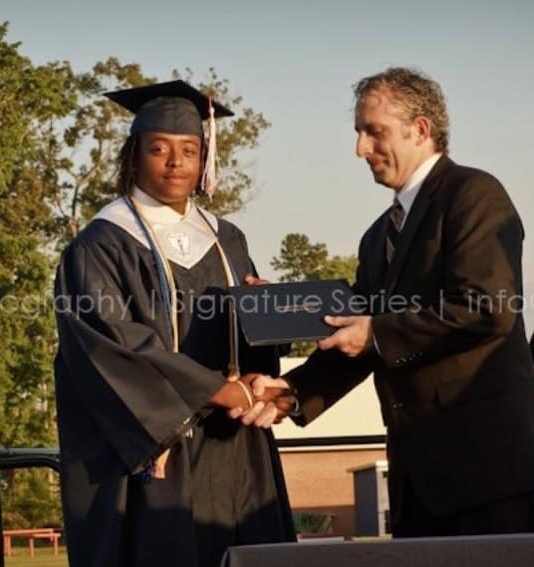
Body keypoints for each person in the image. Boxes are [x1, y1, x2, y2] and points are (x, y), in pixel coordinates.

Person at [245, 67, 534, 537]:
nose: (360, 148)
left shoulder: (474, 194)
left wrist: (376, 331)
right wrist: (292, 391)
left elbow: (487, 308)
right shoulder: (377, 236)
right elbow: (356, 339)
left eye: (373, 131)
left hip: (487, 477)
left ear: (420, 129)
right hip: (414, 484)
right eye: (359, 133)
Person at [54, 80, 295, 567]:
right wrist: (216, 391)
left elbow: (247, 345)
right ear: (134, 156)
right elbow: (111, 345)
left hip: (233, 445)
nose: (175, 163)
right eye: (159, 149)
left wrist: (265, 315)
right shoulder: (101, 245)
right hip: (155, 449)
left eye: (189, 150)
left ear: (205, 159)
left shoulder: (227, 239)